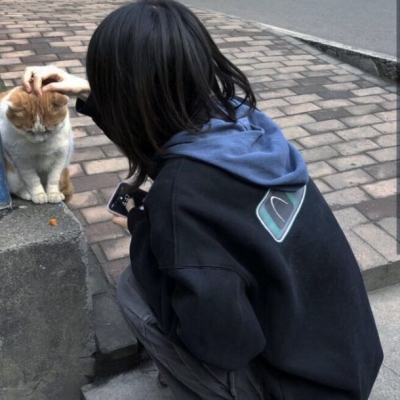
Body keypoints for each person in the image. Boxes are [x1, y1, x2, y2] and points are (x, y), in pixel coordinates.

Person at [21, 1, 383, 399]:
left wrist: (145, 233)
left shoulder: (181, 197)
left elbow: (224, 345)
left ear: (128, 97)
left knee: (134, 291)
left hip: (304, 392)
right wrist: (91, 89)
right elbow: (166, 135)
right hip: (352, 359)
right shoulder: (241, 121)